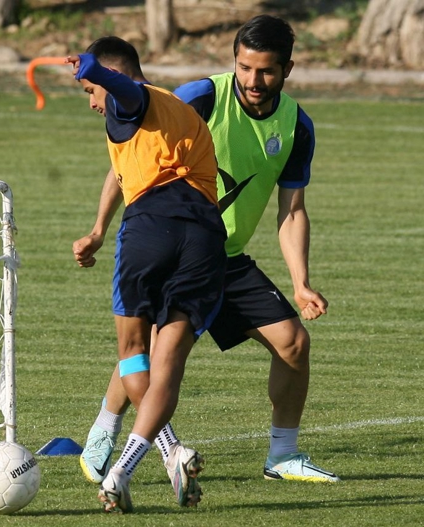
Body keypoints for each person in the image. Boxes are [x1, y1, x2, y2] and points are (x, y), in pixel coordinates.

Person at [75, 14, 340, 510]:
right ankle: (103, 435)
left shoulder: (296, 126)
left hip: (227, 257)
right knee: (153, 346)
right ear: (233, 62)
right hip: (179, 244)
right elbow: (131, 156)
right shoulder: (201, 96)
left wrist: (301, 282)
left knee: (293, 344)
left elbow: (292, 210)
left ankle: (281, 456)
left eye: (265, 71)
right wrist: (98, 227)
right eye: (244, 68)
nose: (253, 81)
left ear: (287, 70)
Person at [66, 36, 227, 513]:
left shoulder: (131, 99)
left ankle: (169, 449)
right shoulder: (175, 111)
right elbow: (121, 173)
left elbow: (125, 88)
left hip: (150, 231)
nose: (93, 104)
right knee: (168, 366)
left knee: (133, 353)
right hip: (203, 239)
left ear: (107, 80)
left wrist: (94, 70)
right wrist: (97, 229)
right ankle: (134, 467)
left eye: (90, 93)